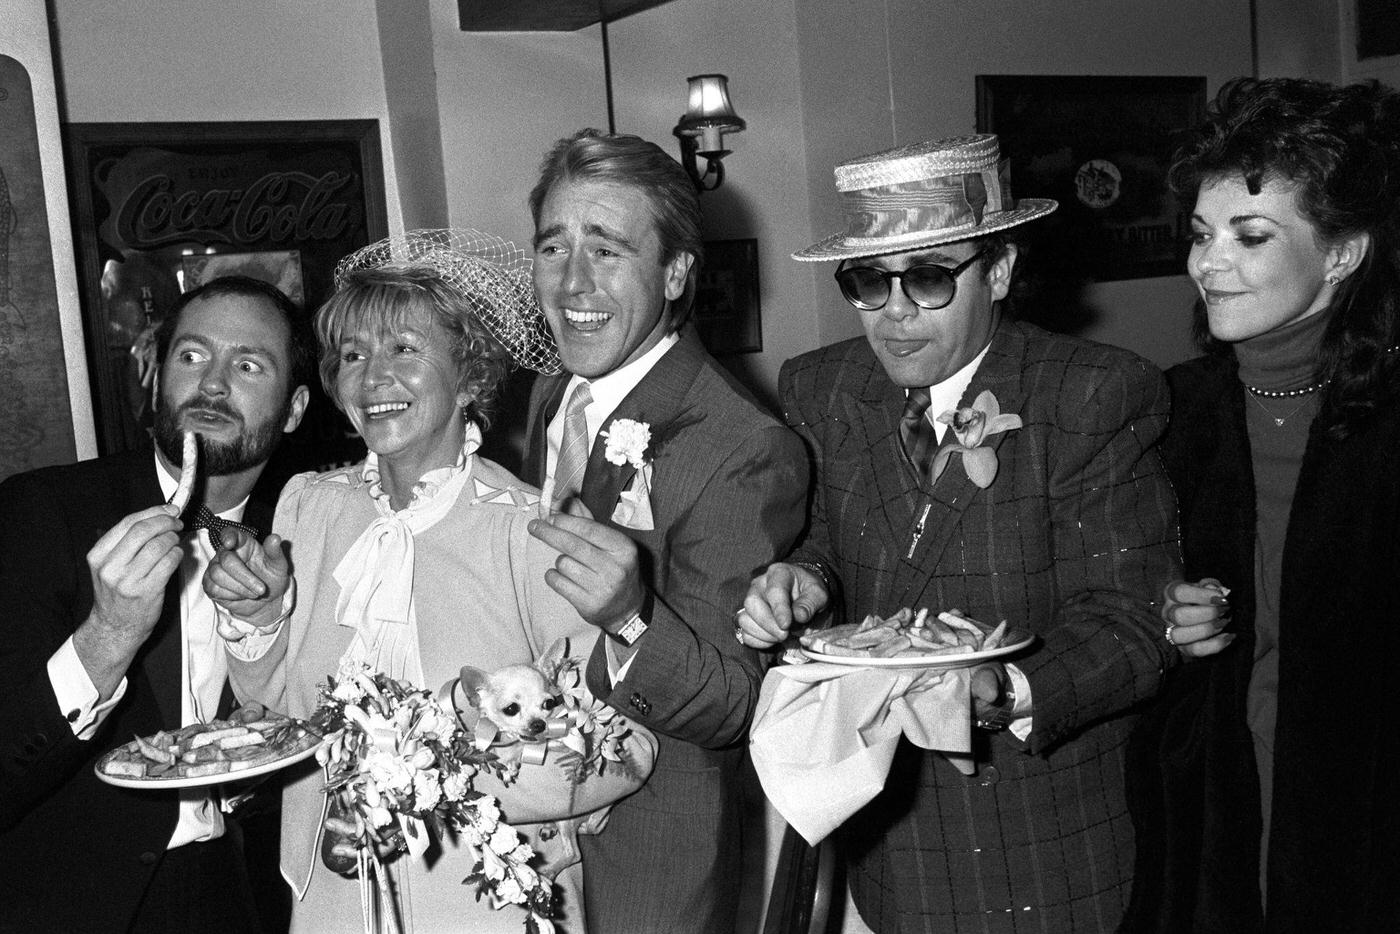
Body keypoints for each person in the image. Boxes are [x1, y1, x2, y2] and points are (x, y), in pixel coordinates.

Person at [737, 134, 1182, 932]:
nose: (895, 311)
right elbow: (832, 542)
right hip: (889, 838)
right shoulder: (822, 387)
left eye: (930, 276)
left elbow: (1134, 623)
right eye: (868, 279)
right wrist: (801, 582)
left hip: (1038, 848)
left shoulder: (1093, 394)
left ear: (1000, 271)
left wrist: (1002, 692)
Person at [209, 230, 657, 934]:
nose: (372, 378)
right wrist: (260, 618)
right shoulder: (308, 508)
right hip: (331, 901)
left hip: (489, 903)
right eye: (352, 355)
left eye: (404, 350)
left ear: (469, 376)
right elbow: (278, 711)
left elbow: (622, 749)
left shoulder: (532, 532)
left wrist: (437, 777)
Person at [1123, 77, 1400, 934]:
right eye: (1201, 234)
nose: (1208, 264)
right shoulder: (1175, 409)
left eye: (1249, 236)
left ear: (1343, 253)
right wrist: (1168, 613)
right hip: (1218, 816)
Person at [520, 130, 808, 934]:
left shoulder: (745, 444)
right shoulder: (550, 395)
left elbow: (731, 703)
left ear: (676, 272)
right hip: (528, 833)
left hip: (649, 861)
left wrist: (629, 619)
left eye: (607, 250)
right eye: (553, 246)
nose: (572, 281)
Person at [0, 275, 312, 933]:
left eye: (248, 365)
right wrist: (107, 636)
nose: (213, 384)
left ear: (294, 409)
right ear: (156, 381)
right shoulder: (42, 513)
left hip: (235, 900)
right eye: (191, 356)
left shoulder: (303, 537)